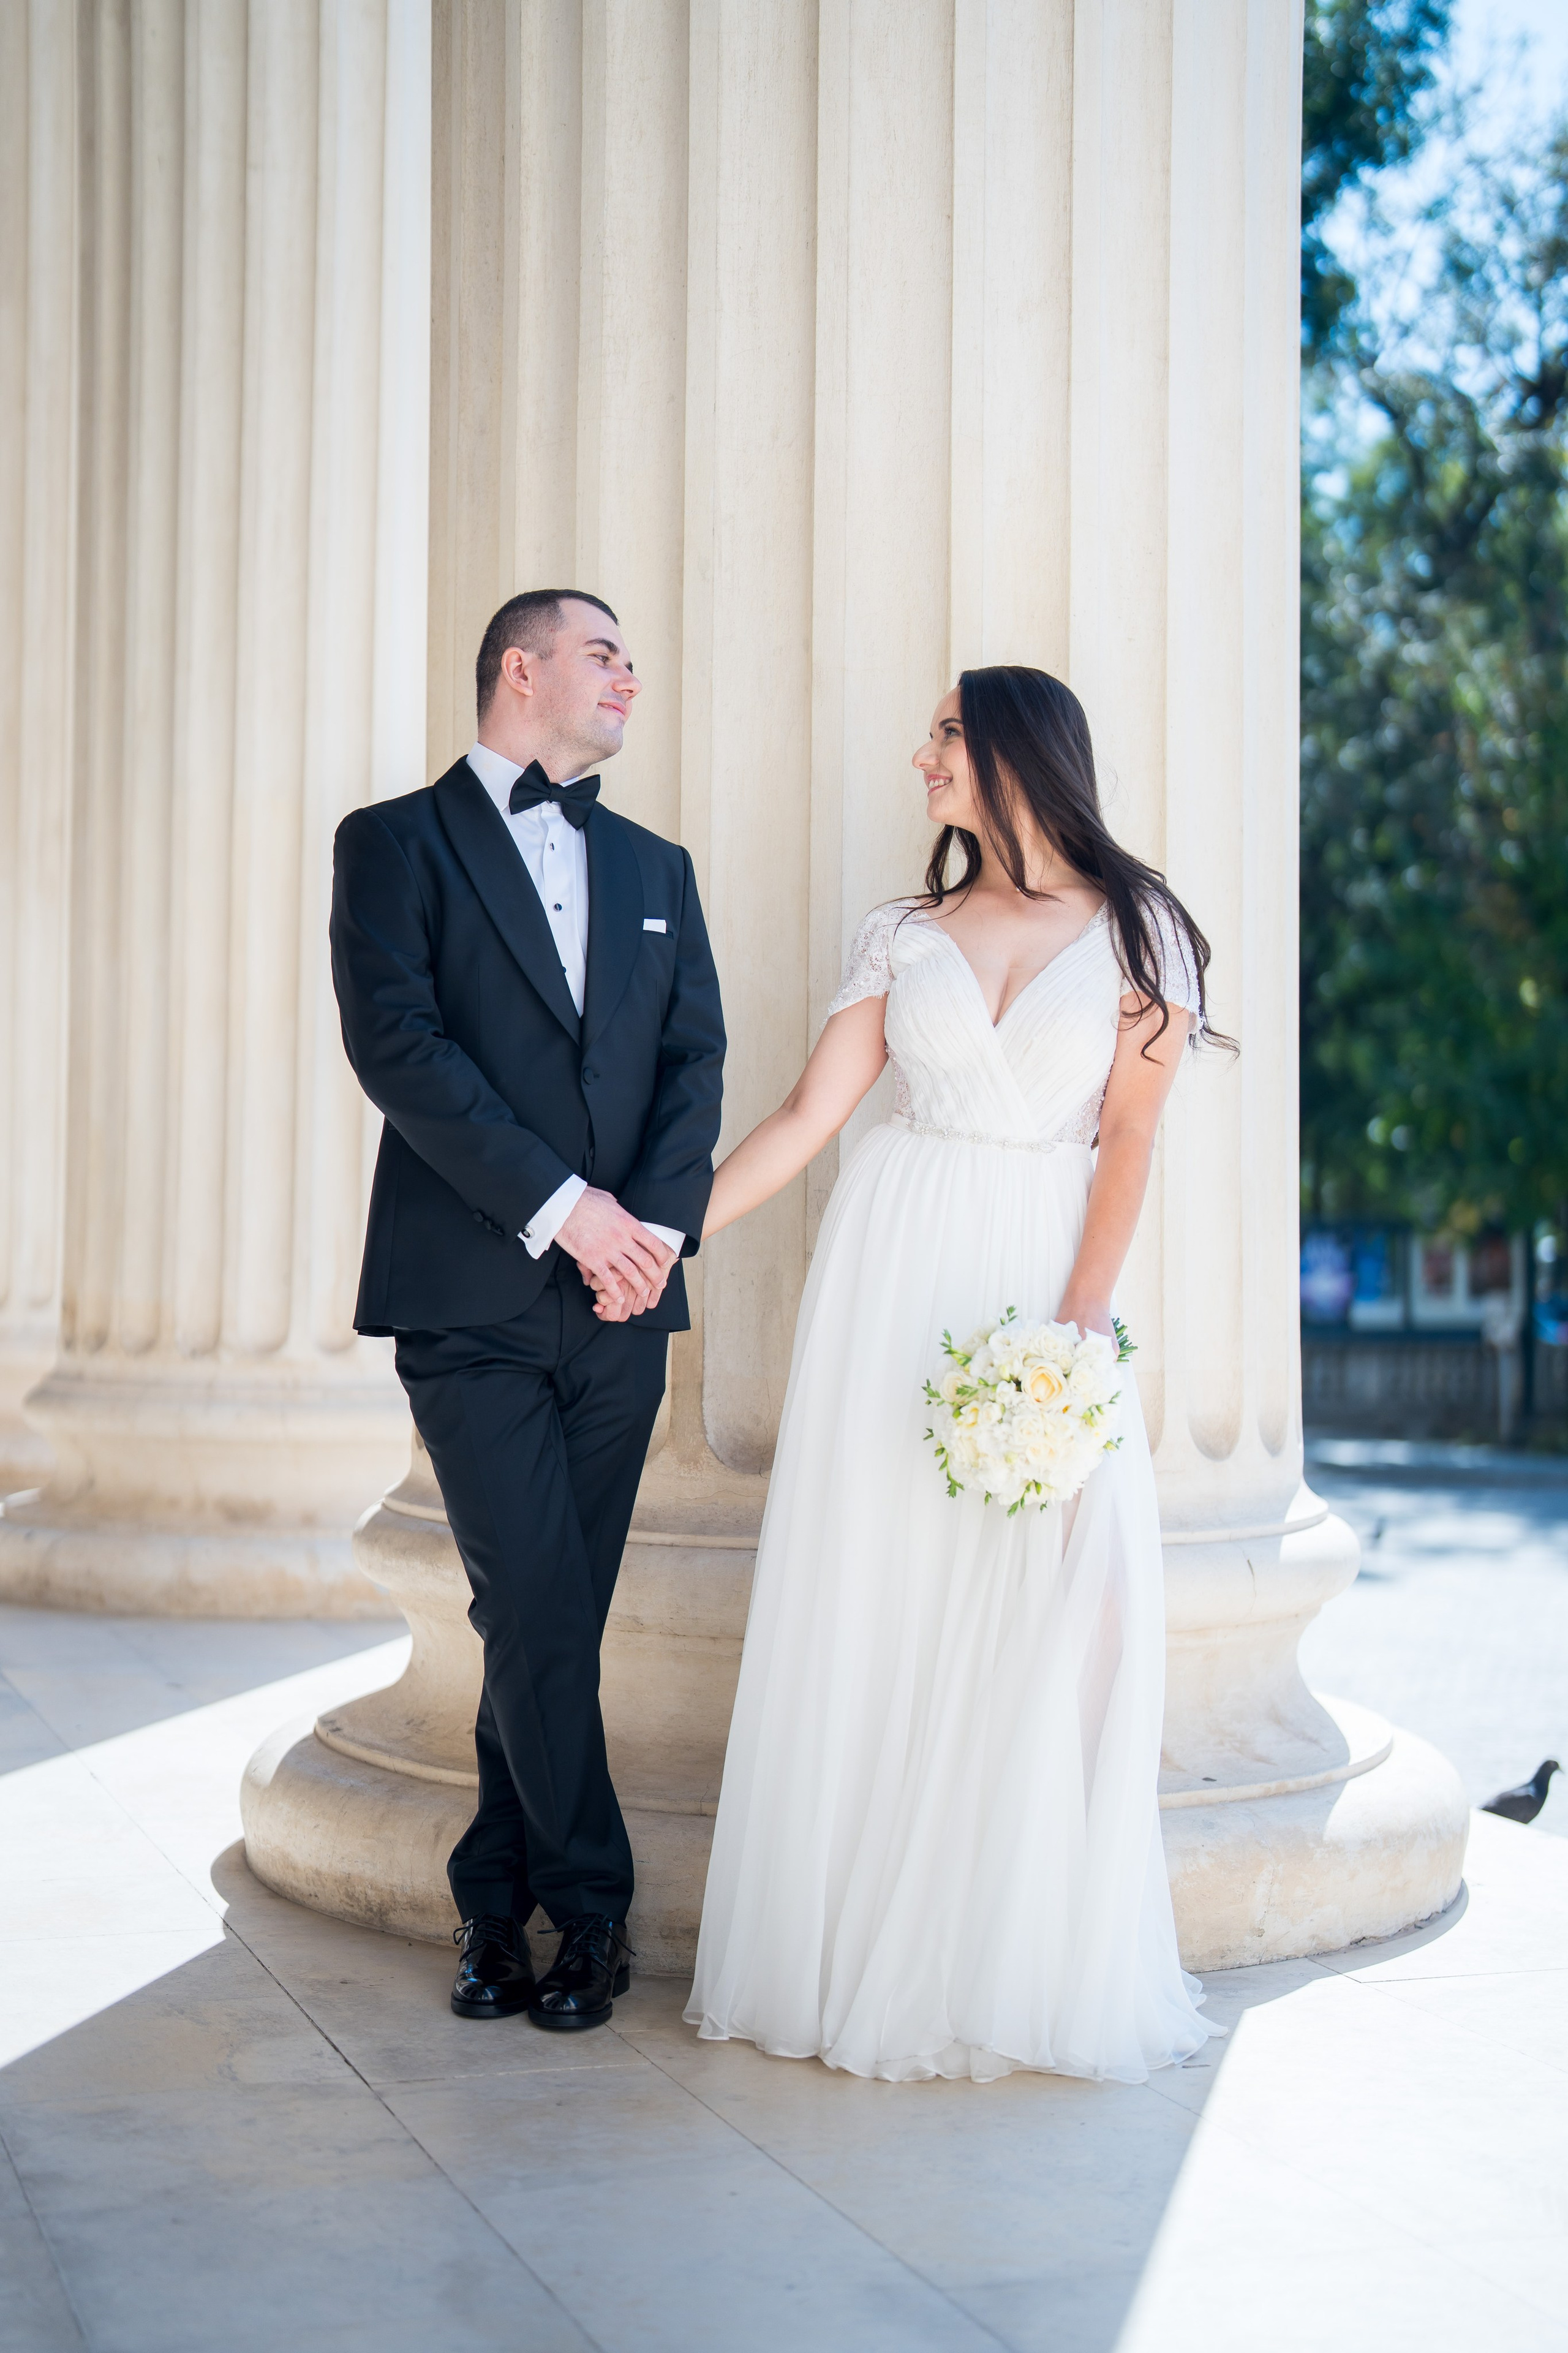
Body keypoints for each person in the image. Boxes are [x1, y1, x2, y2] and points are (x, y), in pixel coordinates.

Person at [684, 665, 1219, 2083]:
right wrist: (661, 1231)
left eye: (942, 733)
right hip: (892, 1277)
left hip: (1041, 1280)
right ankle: (861, 1942)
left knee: (1059, 1599)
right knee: (886, 1578)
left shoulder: (1139, 930)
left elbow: (1129, 1141)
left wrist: (1075, 1328)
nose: (918, 755)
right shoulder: (898, 934)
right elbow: (809, 1115)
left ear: (1011, 752)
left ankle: (1019, 1949)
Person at [330, 591, 725, 2032]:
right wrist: (573, 1212)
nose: (631, 671)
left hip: (624, 1306)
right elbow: (402, 1050)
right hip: (470, 1292)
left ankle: (490, 1909)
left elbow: (695, 1059)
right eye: (605, 651)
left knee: (544, 1615)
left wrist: (652, 1237)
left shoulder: (657, 865)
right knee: (541, 1601)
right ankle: (593, 1912)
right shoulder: (392, 843)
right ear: (522, 668)